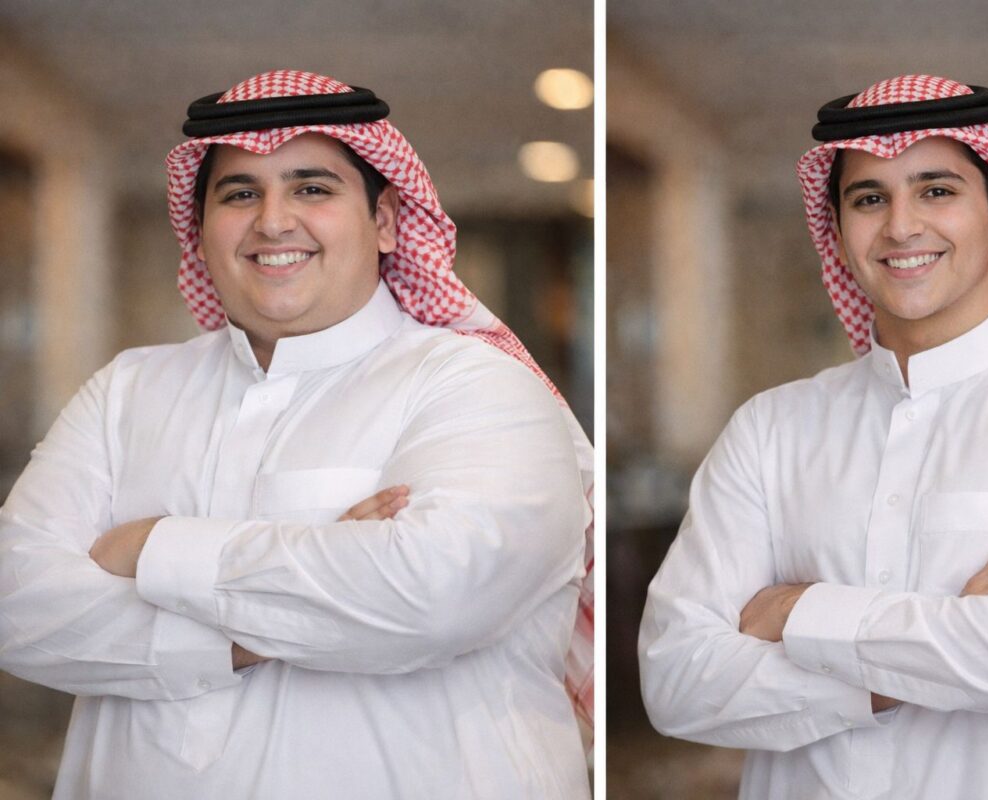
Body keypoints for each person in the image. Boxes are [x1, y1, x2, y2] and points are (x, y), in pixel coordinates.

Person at [0, 70, 593, 799]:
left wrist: (150, 546)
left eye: (312, 188)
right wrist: (284, 615)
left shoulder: (476, 385)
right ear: (200, 228)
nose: (274, 221)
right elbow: (16, 606)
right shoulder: (127, 390)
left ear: (385, 220)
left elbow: (434, 596)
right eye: (239, 193)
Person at [639, 75, 988, 799]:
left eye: (936, 190)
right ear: (837, 233)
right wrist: (949, 633)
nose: (900, 227)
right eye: (869, 199)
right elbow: (676, 681)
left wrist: (796, 611)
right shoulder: (771, 428)